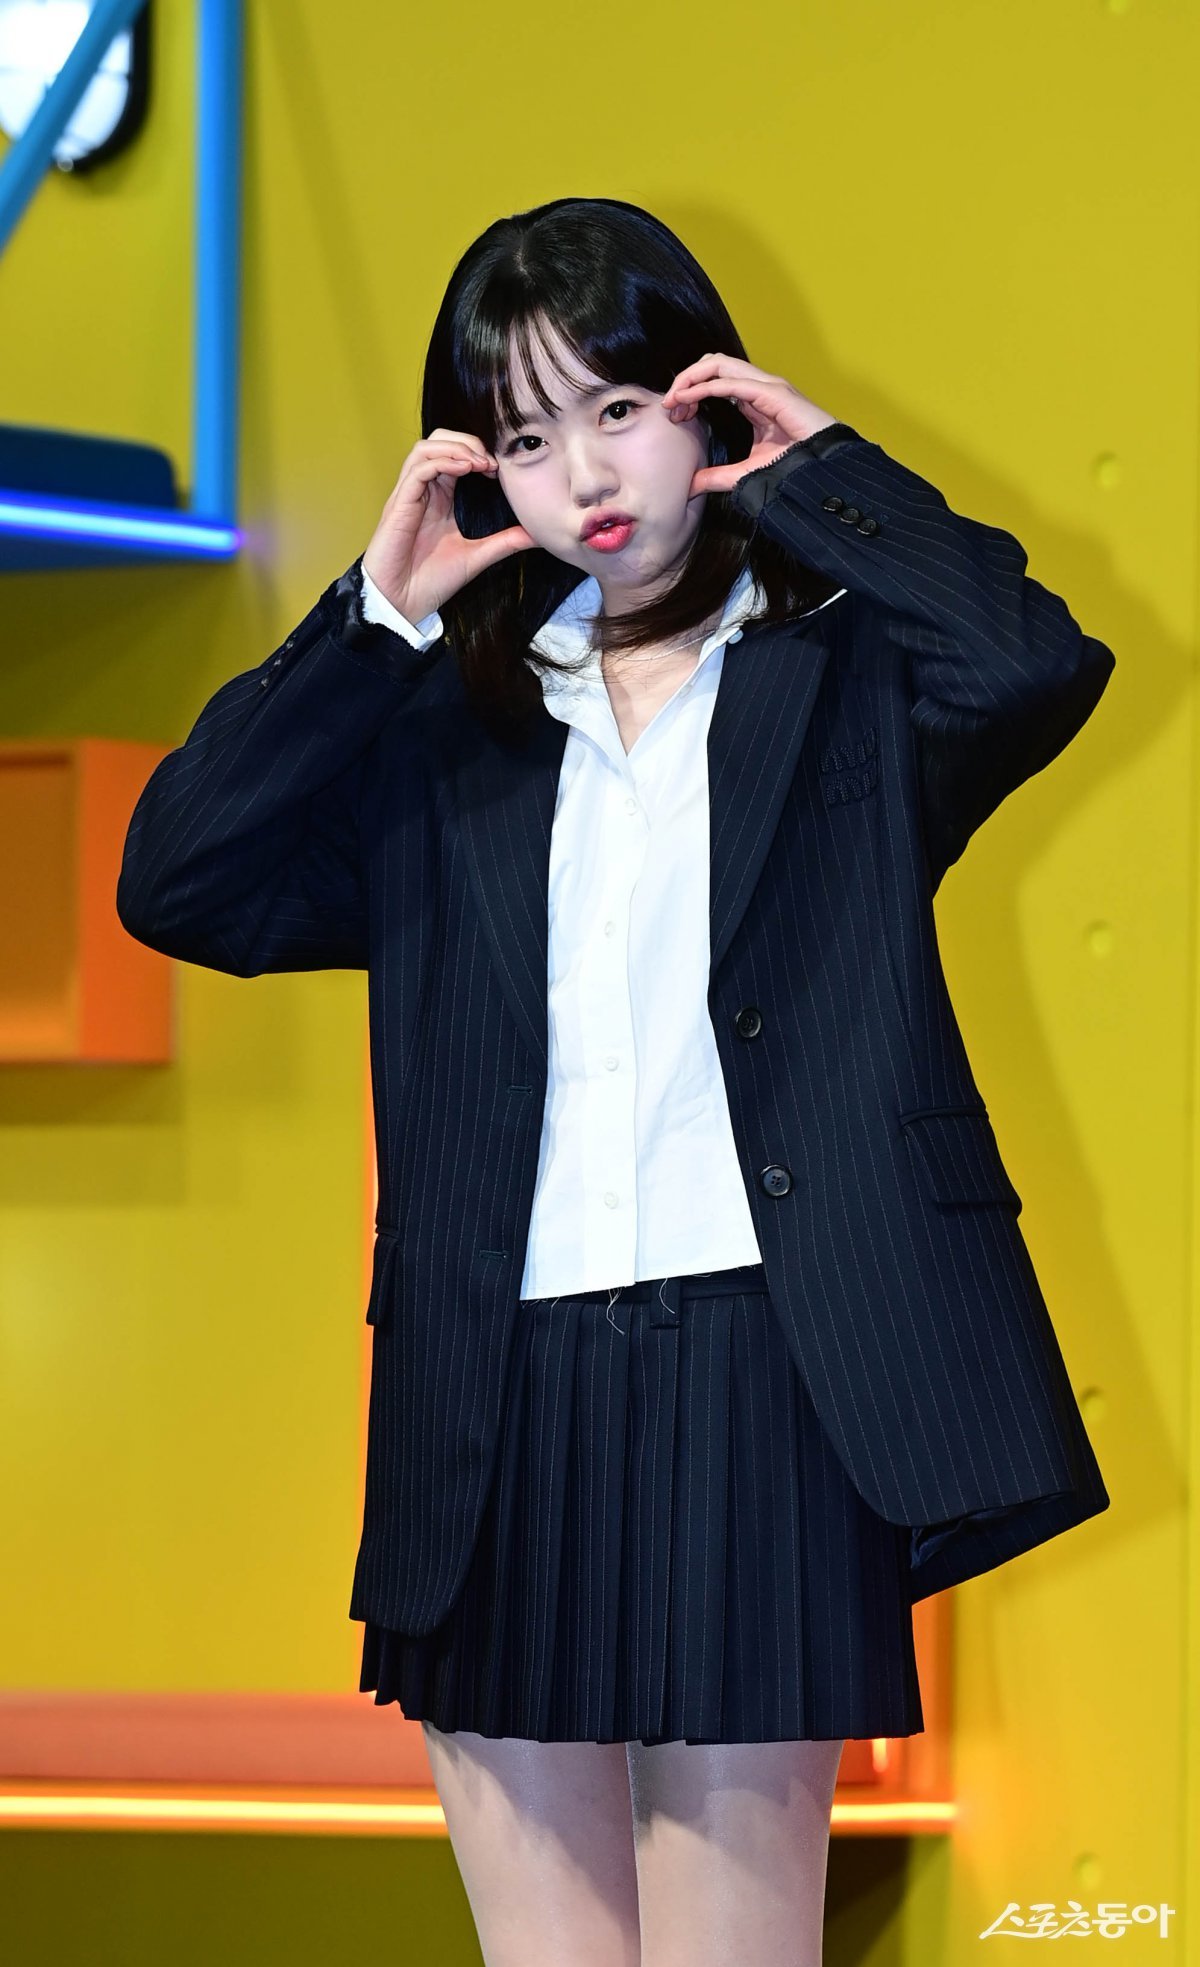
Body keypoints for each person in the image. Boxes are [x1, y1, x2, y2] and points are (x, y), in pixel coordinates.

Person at [116, 196, 1116, 1966]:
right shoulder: (443, 740)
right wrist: (373, 616)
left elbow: (1031, 660)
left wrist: (825, 476)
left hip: (764, 1365)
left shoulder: (842, 683)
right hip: (494, 1394)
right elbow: (178, 881)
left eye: (619, 408)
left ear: (703, 400)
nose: (582, 473)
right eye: (522, 436)